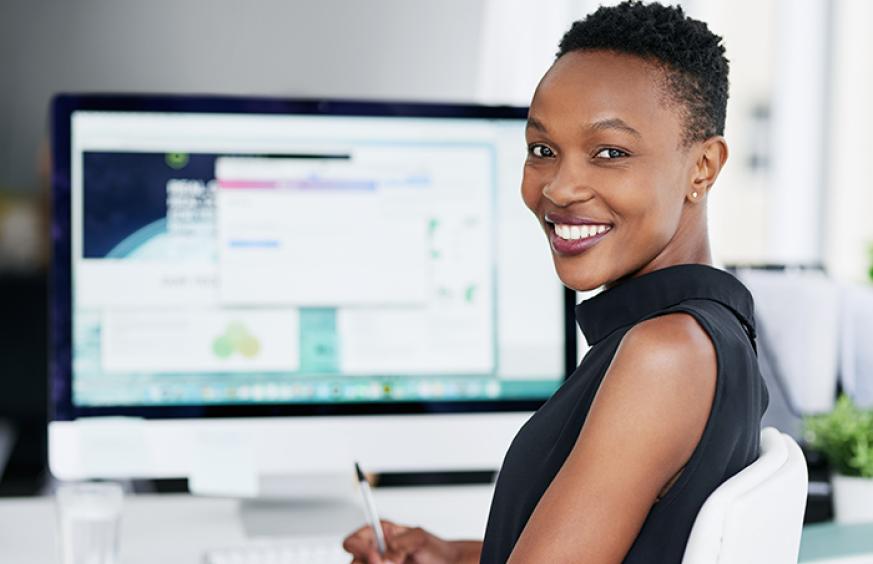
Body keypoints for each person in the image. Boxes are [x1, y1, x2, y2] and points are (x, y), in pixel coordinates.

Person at [344, 1, 768, 562]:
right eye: (543, 150)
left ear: (703, 168)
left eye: (610, 153)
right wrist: (450, 555)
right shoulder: (708, 329)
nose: (561, 188)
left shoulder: (663, 356)